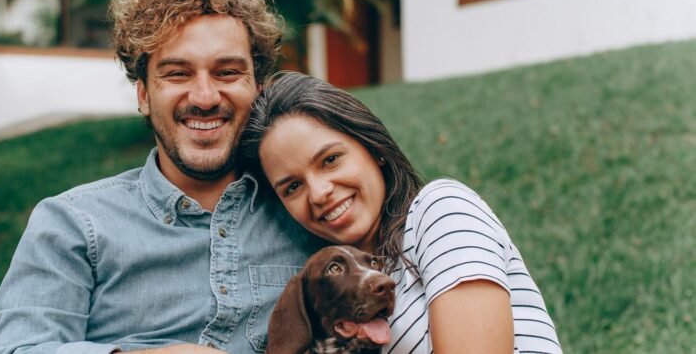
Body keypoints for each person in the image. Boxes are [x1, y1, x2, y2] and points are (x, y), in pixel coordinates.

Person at [0, 0, 323, 354]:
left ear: (258, 89)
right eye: (178, 74)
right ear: (143, 95)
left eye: (227, 72)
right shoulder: (73, 224)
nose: (204, 97)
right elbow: (17, 349)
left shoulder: (304, 210)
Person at [240, 72, 562, 354]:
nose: (320, 193)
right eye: (293, 187)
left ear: (373, 147)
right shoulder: (340, 293)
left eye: (330, 160)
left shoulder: (439, 210)